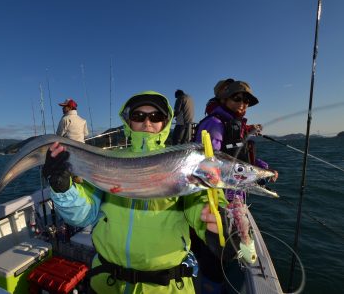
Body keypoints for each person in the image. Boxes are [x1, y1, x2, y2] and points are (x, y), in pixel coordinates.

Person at [42, 91, 232, 293]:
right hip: (107, 283)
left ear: (165, 122)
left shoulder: (184, 163)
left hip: (166, 288)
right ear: (128, 121)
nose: (147, 122)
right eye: (138, 116)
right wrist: (62, 188)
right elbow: (82, 216)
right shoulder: (108, 160)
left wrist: (220, 226)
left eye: (156, 116)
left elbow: (205, 204)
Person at [191, 80, 278, 291]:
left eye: (247, 100)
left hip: (234, 196)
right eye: (237, 98)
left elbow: (240, 159)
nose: (243, 104)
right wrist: (254, 176)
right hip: (215, 200)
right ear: (224, 99)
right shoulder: (214, 124)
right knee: (213, 255)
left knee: (223, 251)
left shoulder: (235, 124)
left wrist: (262, 171)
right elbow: (212, 165)